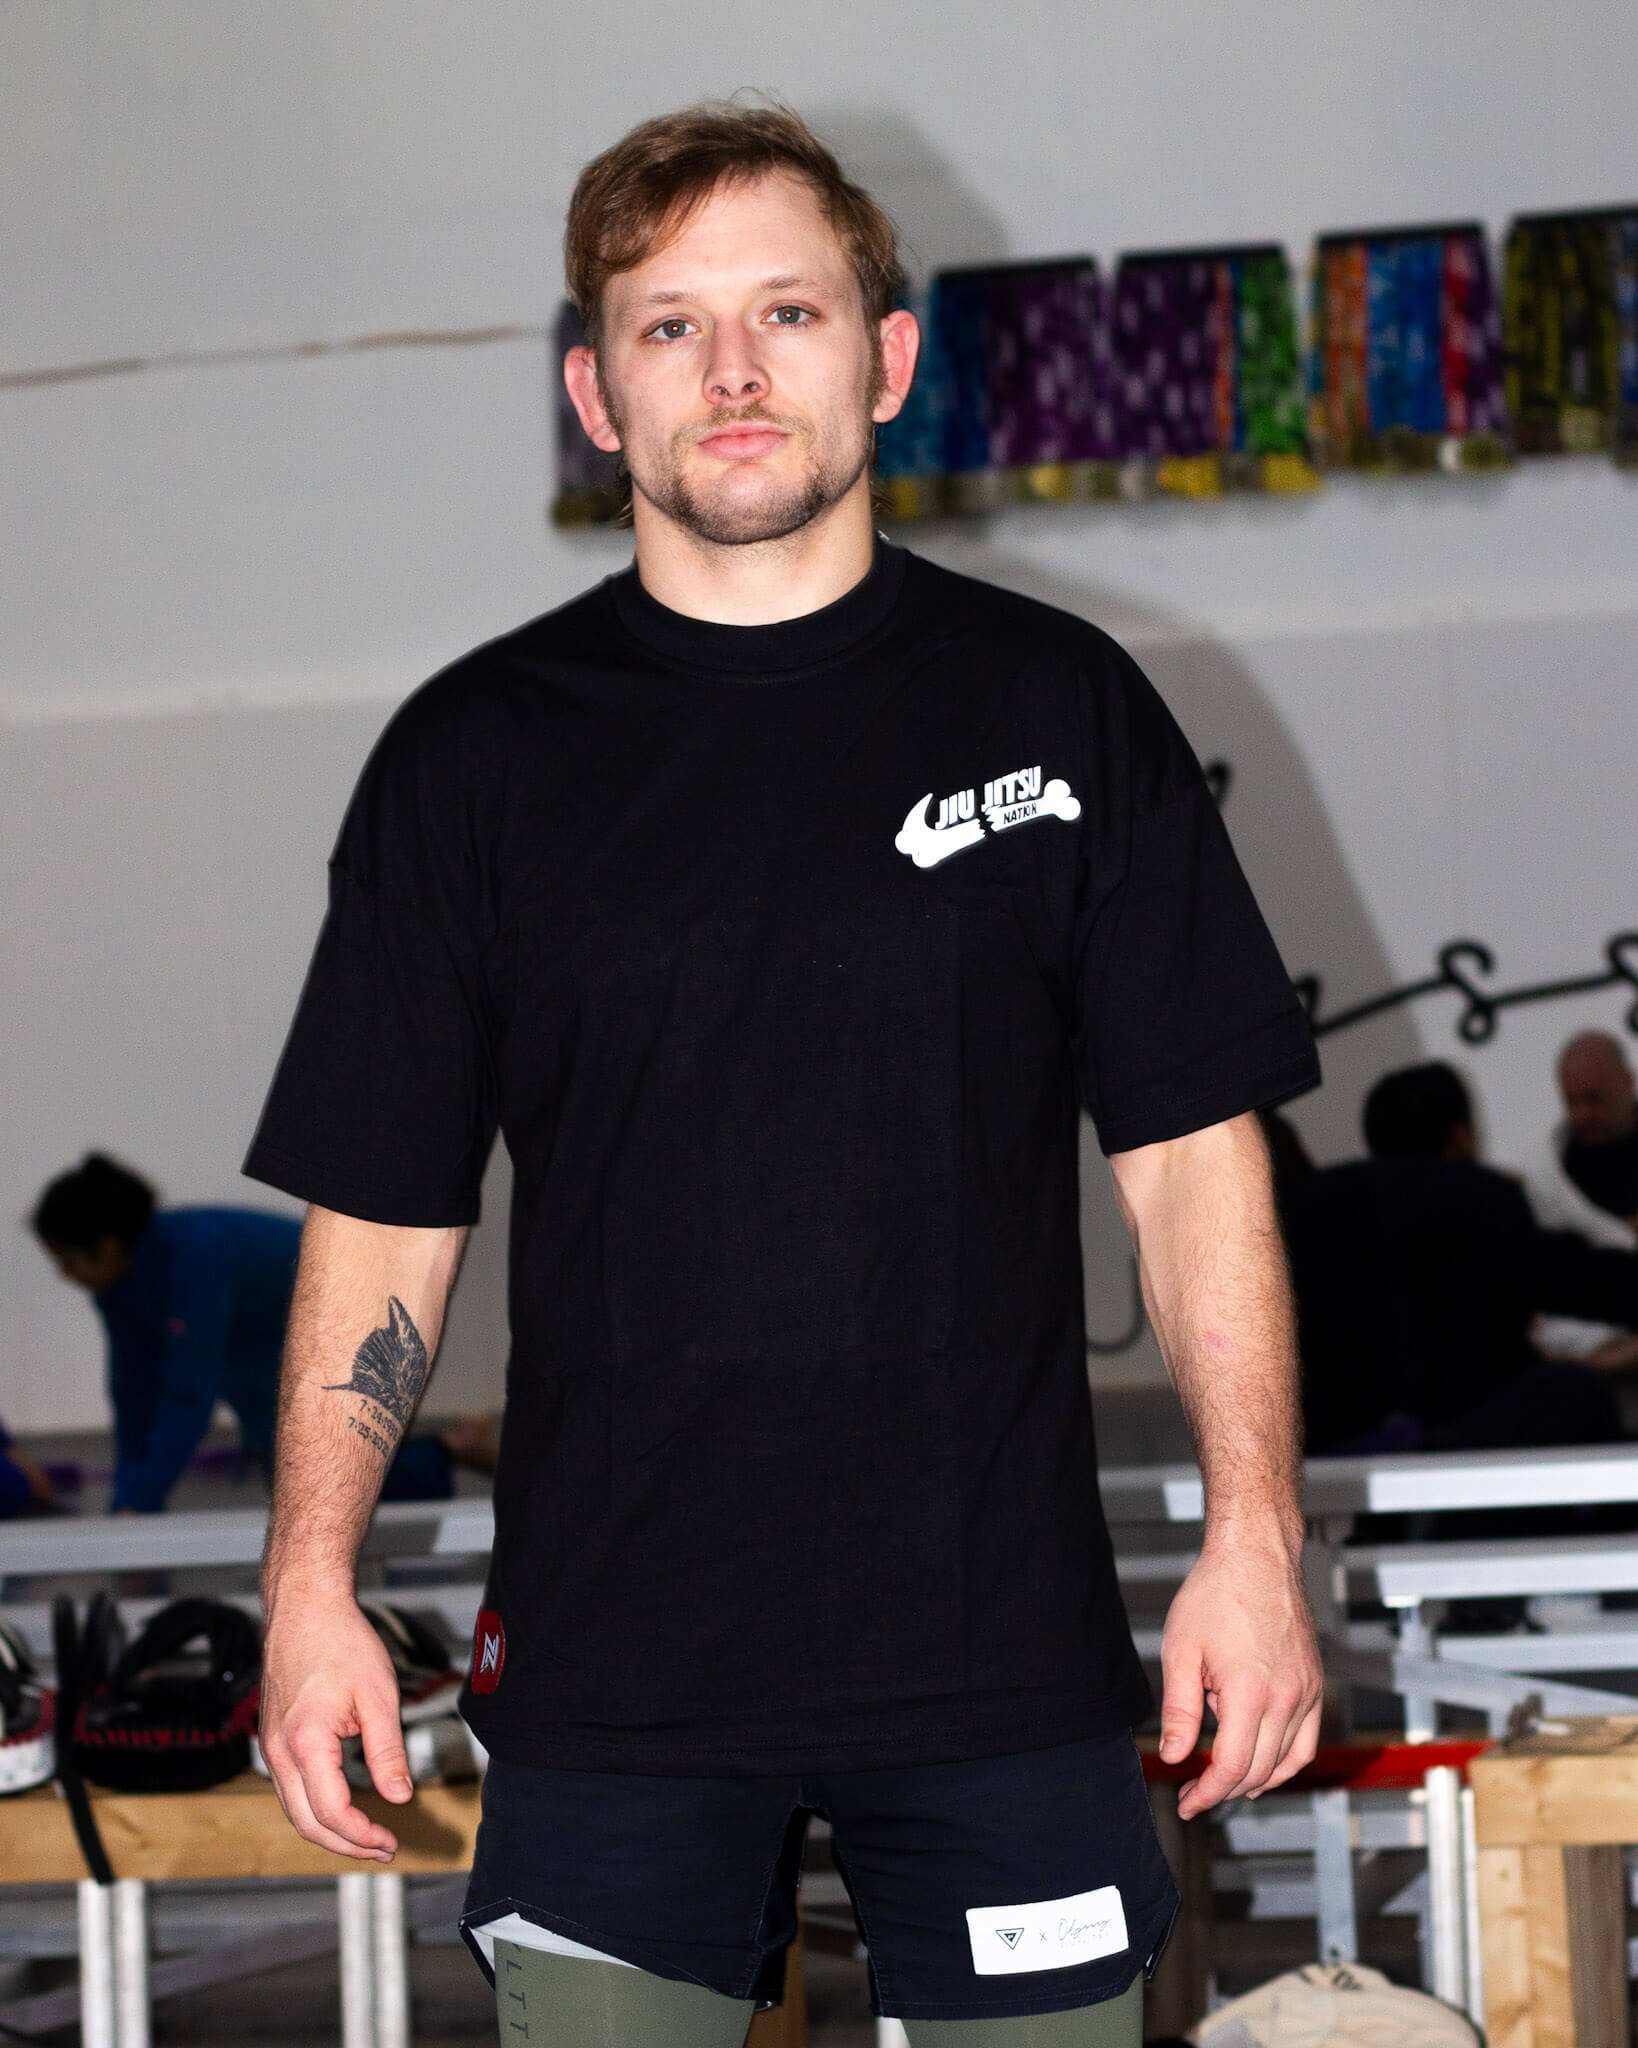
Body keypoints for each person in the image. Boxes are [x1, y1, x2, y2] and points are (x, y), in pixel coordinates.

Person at [243, 96, 1326, 2047]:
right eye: (669, 325)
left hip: (1000, 1656)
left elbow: (1191, 1162)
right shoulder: (473, 760)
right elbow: (385, 1213)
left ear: (887, 359)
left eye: (787, 312)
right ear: (595, 393)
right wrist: (309, 1576)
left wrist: (1255, 1538)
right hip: (615, 1673)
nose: (732, 369)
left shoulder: (1063, 708)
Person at [30, 1152, 496, 1513]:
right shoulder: (116, 1286)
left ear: (107, 1245)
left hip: (347, 1319)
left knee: (330, 1483)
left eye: (68, 1260)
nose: (65, 1275)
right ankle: (455, 1447)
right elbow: (132, 1391)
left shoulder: (193, 1260)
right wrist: (129, 1502)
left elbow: (188, 1396)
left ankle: (454, 1447)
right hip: (272, 1347)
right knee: (300, 1484)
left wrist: (140, 1502)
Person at [1282, 1062, 1638, 1459]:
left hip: (1333, 1440)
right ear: (1459, 1135)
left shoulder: (1315, 1205)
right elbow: (1570, 1279)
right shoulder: (1479, 1195)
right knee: (1579, 1392)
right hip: (1456, 1435)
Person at [1553, 1029, 1638, 1230]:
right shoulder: (1554, 1174)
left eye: (1594, 1099)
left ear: (1627, 1083)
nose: (1582, 1114)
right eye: (1572, 1102)